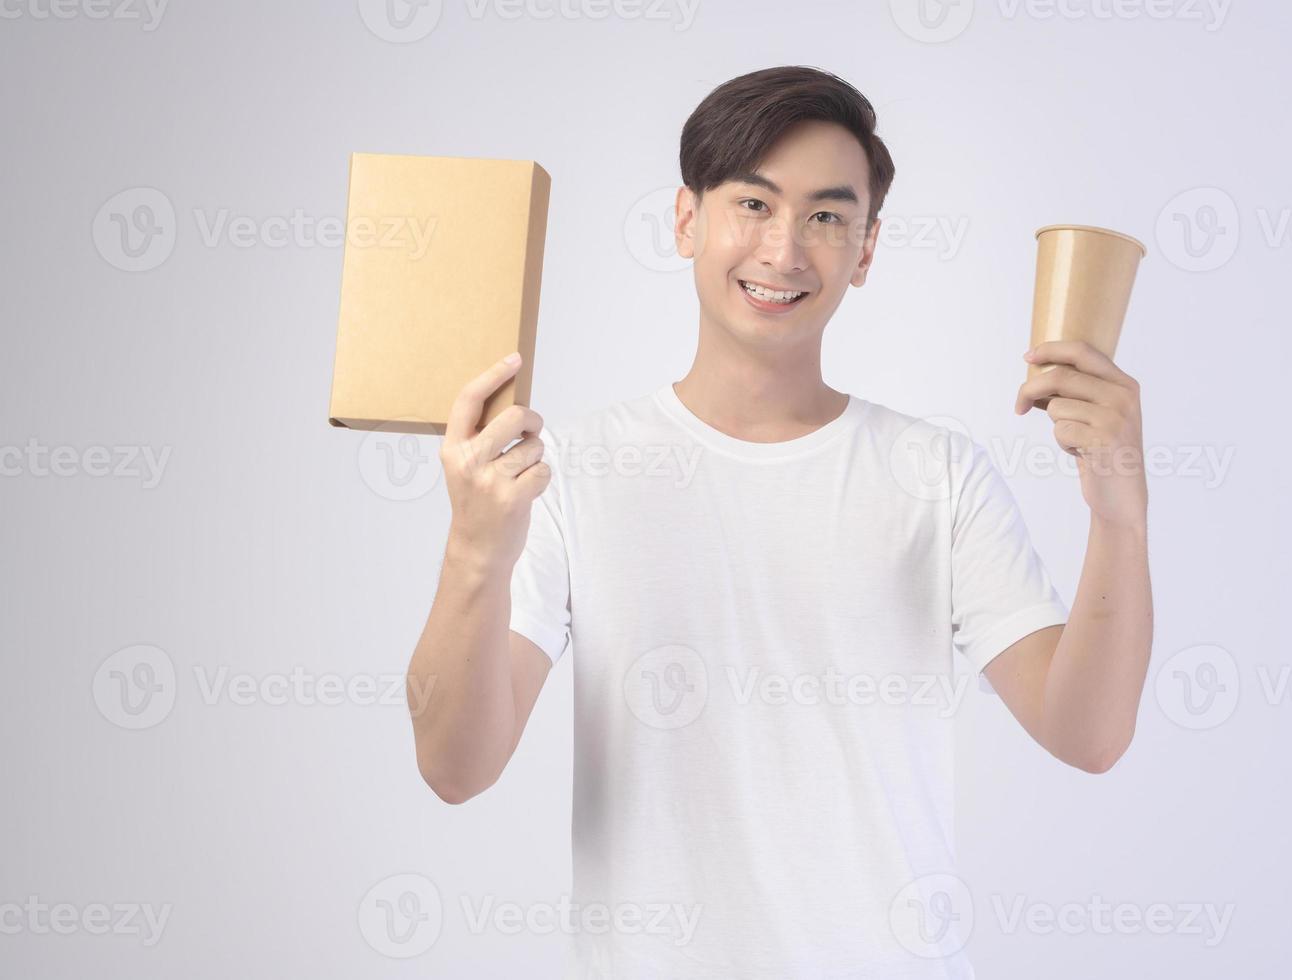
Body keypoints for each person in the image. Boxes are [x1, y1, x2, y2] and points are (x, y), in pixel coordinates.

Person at [406, 65, 1153, 980]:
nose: (785, 249)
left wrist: (1120, 513)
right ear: (687, 221)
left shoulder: (937, 472)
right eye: (752, 204)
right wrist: (475, 549)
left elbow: (1088, 734)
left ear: (866, 249)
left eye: (827, 217)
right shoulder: (573, 470)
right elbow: (455, 766)